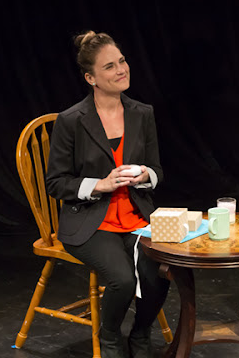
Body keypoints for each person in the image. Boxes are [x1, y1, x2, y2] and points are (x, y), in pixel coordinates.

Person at [46, 31, 169, 358]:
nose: (121, 70)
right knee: (123, 280)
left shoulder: (142, 113)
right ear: (91, 78)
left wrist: (145, 175)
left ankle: (140, 335)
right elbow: (56, 183)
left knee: (160, 272)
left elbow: (157, 169)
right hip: (90, 220)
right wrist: (99, 185)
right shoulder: (71, 120)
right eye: (110, 66)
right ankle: (110, 337)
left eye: (122, 61)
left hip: (136, 215)